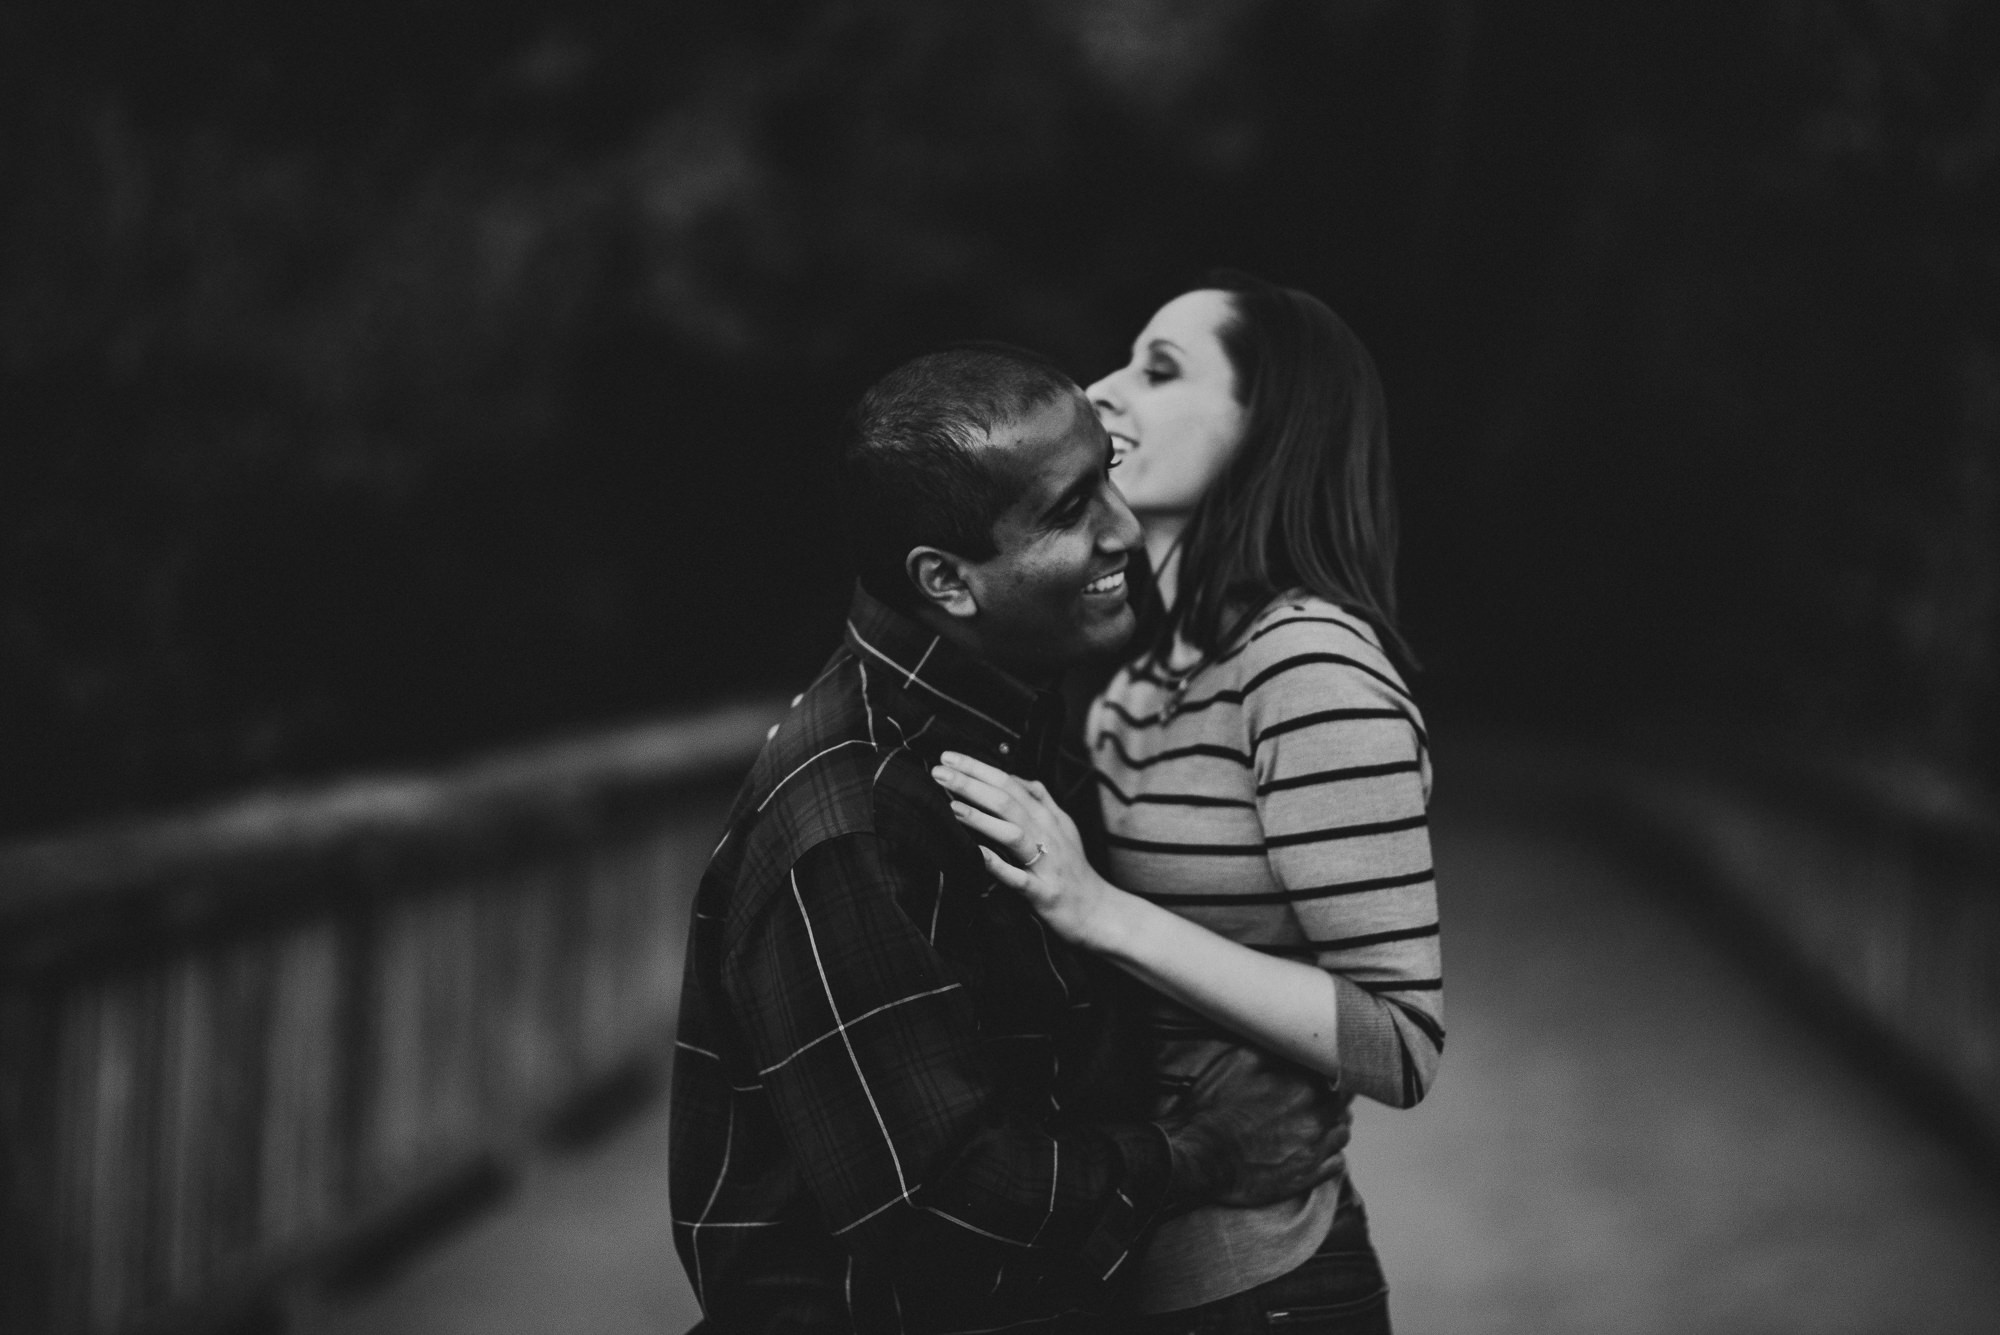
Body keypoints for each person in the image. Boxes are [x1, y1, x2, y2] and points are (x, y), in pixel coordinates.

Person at [668, 344, 1354, 1334]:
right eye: (1072, 511)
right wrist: (1200, 1150)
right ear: (947, 582)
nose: (1123, 528)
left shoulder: (1002, 720)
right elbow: (944, 1214)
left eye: (1108, 480)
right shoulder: (850, 823)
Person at [933, 274, 1441, 1333]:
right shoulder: (1143, 672)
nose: (1098, 393)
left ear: (1272, 431)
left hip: (1260, 1290)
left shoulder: (1307, 664)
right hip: (1123, 1278)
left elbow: (1399, 1041)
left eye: (1156, 371)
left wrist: (1101, 912)